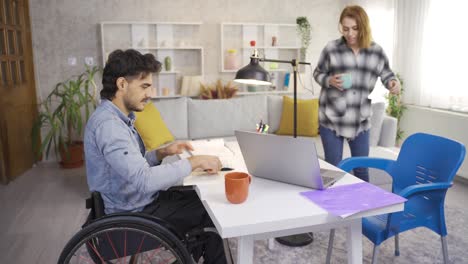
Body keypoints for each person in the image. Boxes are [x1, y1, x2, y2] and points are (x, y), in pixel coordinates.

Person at [84, 49, 227, 263]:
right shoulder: (110, 126)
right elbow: (144, 180)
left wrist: (161, 153)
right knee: (210, 212)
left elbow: (129, 167)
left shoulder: (116, 119)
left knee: (200, 197)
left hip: (135, 203)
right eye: (145, 86)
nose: (150, 93)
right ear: (122, 85)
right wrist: (193, 161)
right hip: (132, 216)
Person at [313, 5, 400, 182]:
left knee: (361, 170)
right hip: (331, 119)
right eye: (345, 29)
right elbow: (317, 73)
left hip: (360, 120)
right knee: (333, 171)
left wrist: (393, 83)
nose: (350, 33)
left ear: (363, 27)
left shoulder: (376, 52)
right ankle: (333, 208)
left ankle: (363, 209)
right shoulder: (331, 49)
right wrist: (329, 80)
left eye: (355, 28)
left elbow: (387, 75)